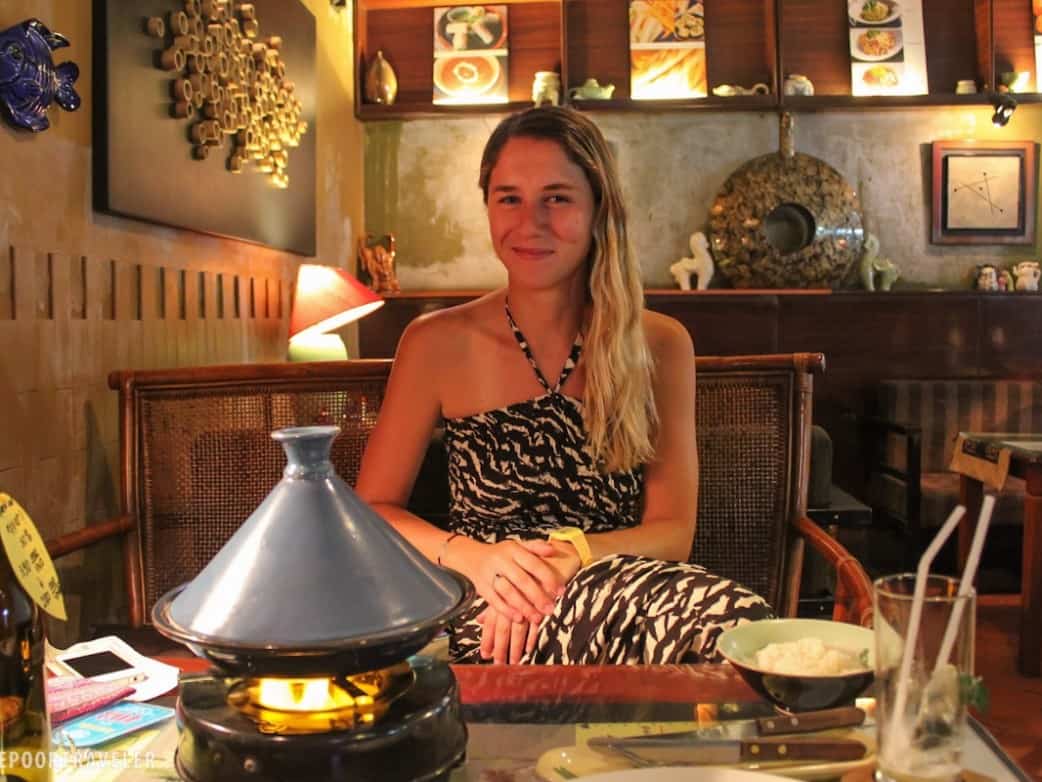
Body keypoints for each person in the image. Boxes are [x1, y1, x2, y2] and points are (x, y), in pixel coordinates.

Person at [355, 106, 771, 665]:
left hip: (626, 591)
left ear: (599, 208)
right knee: (735, 632)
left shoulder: (660, 344)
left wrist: (570, 557)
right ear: (487, 207)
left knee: (740, 630)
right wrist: (478, 560)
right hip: (485, 604)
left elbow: (673, 532)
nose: (531, 223)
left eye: (556, 198)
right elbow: (373, 510)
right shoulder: (434, 342)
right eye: (509, 198)